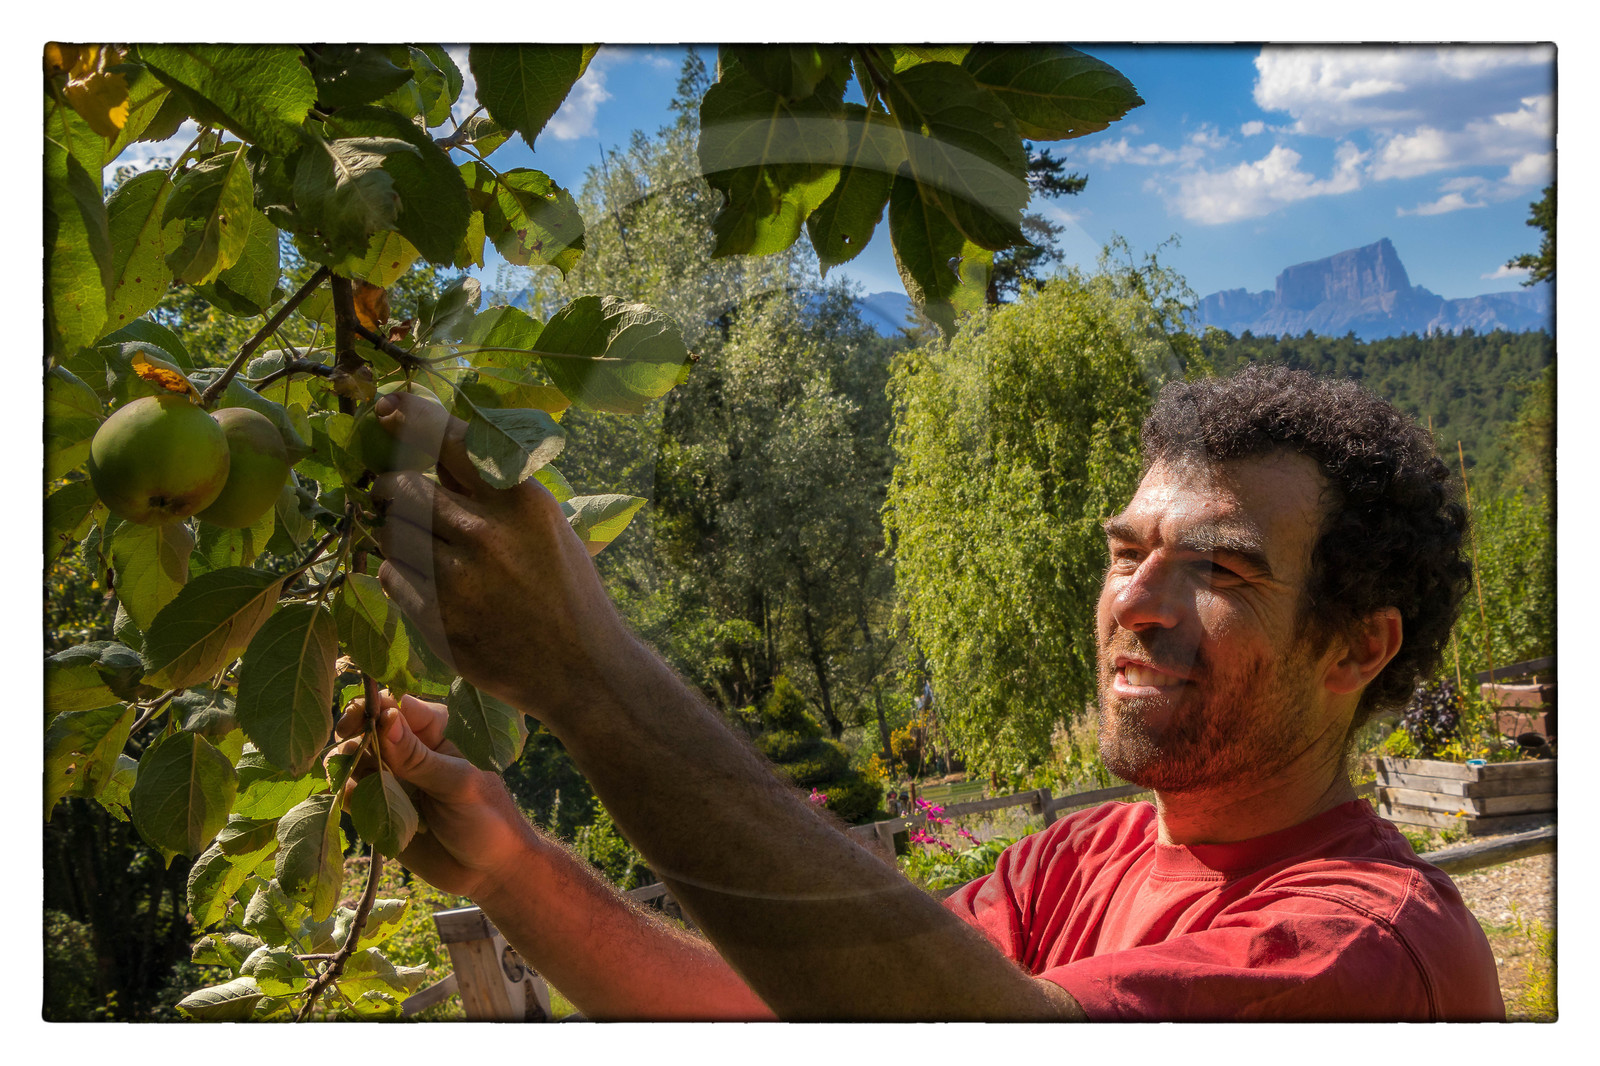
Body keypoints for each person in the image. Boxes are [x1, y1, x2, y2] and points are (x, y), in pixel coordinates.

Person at [337, 364, 1504, 1021]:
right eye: (1124, 550)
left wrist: (587, 672)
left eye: (1222, 568)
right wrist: (512, 866)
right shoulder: (1074, 861)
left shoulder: (1365, 951)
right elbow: (791, 1018)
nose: (1136, 602)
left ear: (1356, 647)